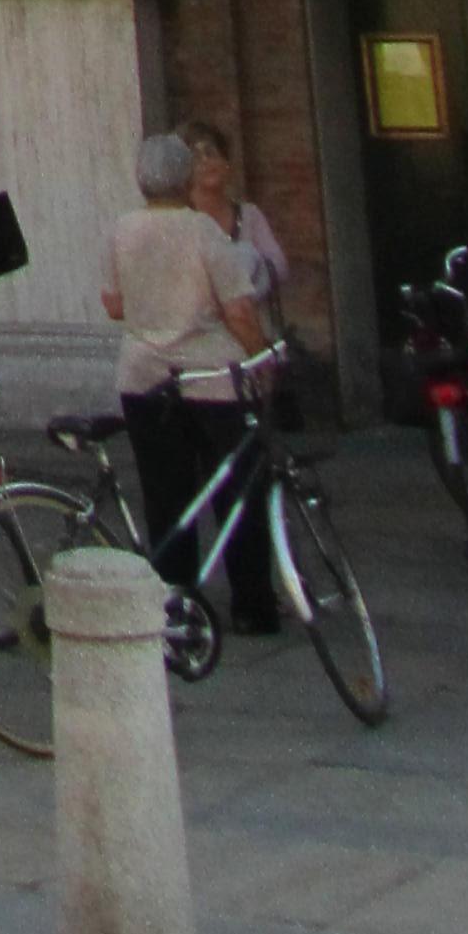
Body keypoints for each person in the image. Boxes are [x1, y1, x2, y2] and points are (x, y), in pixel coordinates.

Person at [100, 131, 275, 633]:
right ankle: (252, 606)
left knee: (165, 495)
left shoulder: (122, 229)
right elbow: (238, 310)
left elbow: (113, 305)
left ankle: (177, 600)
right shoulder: (203, 232)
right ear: (184, 178)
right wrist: (262, 357)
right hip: (211, 377)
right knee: (237, 490)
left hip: (143, 377)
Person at [180, 119, 288, 312]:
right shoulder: (180, 221)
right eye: (196, 157)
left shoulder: (249, 214)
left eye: (212, 153)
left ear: (227, 163)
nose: (206, 161)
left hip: (250, 328)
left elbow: (278, 267)